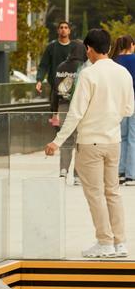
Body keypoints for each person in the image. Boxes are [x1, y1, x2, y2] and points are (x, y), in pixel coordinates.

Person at [45, 29, 134, 259]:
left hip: (90, 143)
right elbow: (129, 109)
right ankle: (120, 242)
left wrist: (56, 141)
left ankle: (105, 242)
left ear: (89, 49)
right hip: (113, 141)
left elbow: (75, 114)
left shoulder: (88, 75)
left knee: (95, 195)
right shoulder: (123, 73)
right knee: (113, 193)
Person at [51, 40, 87, 184]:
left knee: (65, 137)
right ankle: (77, 175)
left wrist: (54, 110)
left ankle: (63, 170)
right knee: (79, 140)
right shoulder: (84, 67)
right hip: (79, 107)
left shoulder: (61, 66)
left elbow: (55, 90)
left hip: (63, 106)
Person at [111, 35, 135, 185]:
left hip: (117, 103)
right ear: (132, 45)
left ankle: (120, 172)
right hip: (133, 101)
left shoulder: (114, 61)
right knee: (133, 138)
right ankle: (131, 174)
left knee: (122, 137)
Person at [36, 21, 72, 99]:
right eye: (61, 27)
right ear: (58, 31)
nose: (63, 29)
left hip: (71, 88)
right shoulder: (51, 47)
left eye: (66, 28)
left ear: (69, 31)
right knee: (55, 110)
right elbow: (43, 65)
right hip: (55, 87)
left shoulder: (74, 48)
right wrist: (39, 80)